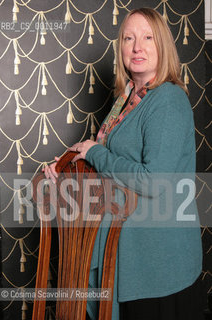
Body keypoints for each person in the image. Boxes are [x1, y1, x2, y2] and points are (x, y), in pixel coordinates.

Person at [44, 7, 203, 320]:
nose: (137, 46)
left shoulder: (167, 100)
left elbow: (152, 181)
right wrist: (65, 170)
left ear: (163, 47)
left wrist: (94, 154)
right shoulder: (128, 98)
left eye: (147, 38)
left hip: (158, 266)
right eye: (128, 38)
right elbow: (106, 162)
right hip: (130, 257)